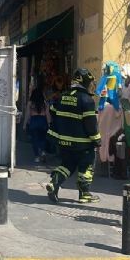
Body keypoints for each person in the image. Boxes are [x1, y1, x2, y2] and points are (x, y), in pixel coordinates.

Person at [46, 68, 101, 203]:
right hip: (83, 143)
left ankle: (55, 182)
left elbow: (52, 110)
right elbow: (90, 124)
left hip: (63, 141)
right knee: (86, 166)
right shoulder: (87, 100)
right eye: (90, 83)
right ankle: (84, 194)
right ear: (84, 83)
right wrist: (97, 139)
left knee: (67, 165)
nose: (91, 86)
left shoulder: (62, 96)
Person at [28, 80, 49, 162]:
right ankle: (43, 151)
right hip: (43, 121)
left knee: (34, 140)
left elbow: (27, 114)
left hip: (34, 121)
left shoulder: (30, 103)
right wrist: (49, 123)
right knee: (43, 138)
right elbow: (47, 114)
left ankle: (37, 156)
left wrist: (25, 124)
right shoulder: (45, 103)